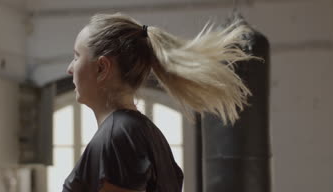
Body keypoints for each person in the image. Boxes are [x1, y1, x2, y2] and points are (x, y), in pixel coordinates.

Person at [63, 13, 254, 192]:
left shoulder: (118, 136)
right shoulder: (138, 131)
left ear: (101, 68)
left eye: (76, 57)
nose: (70, 69)